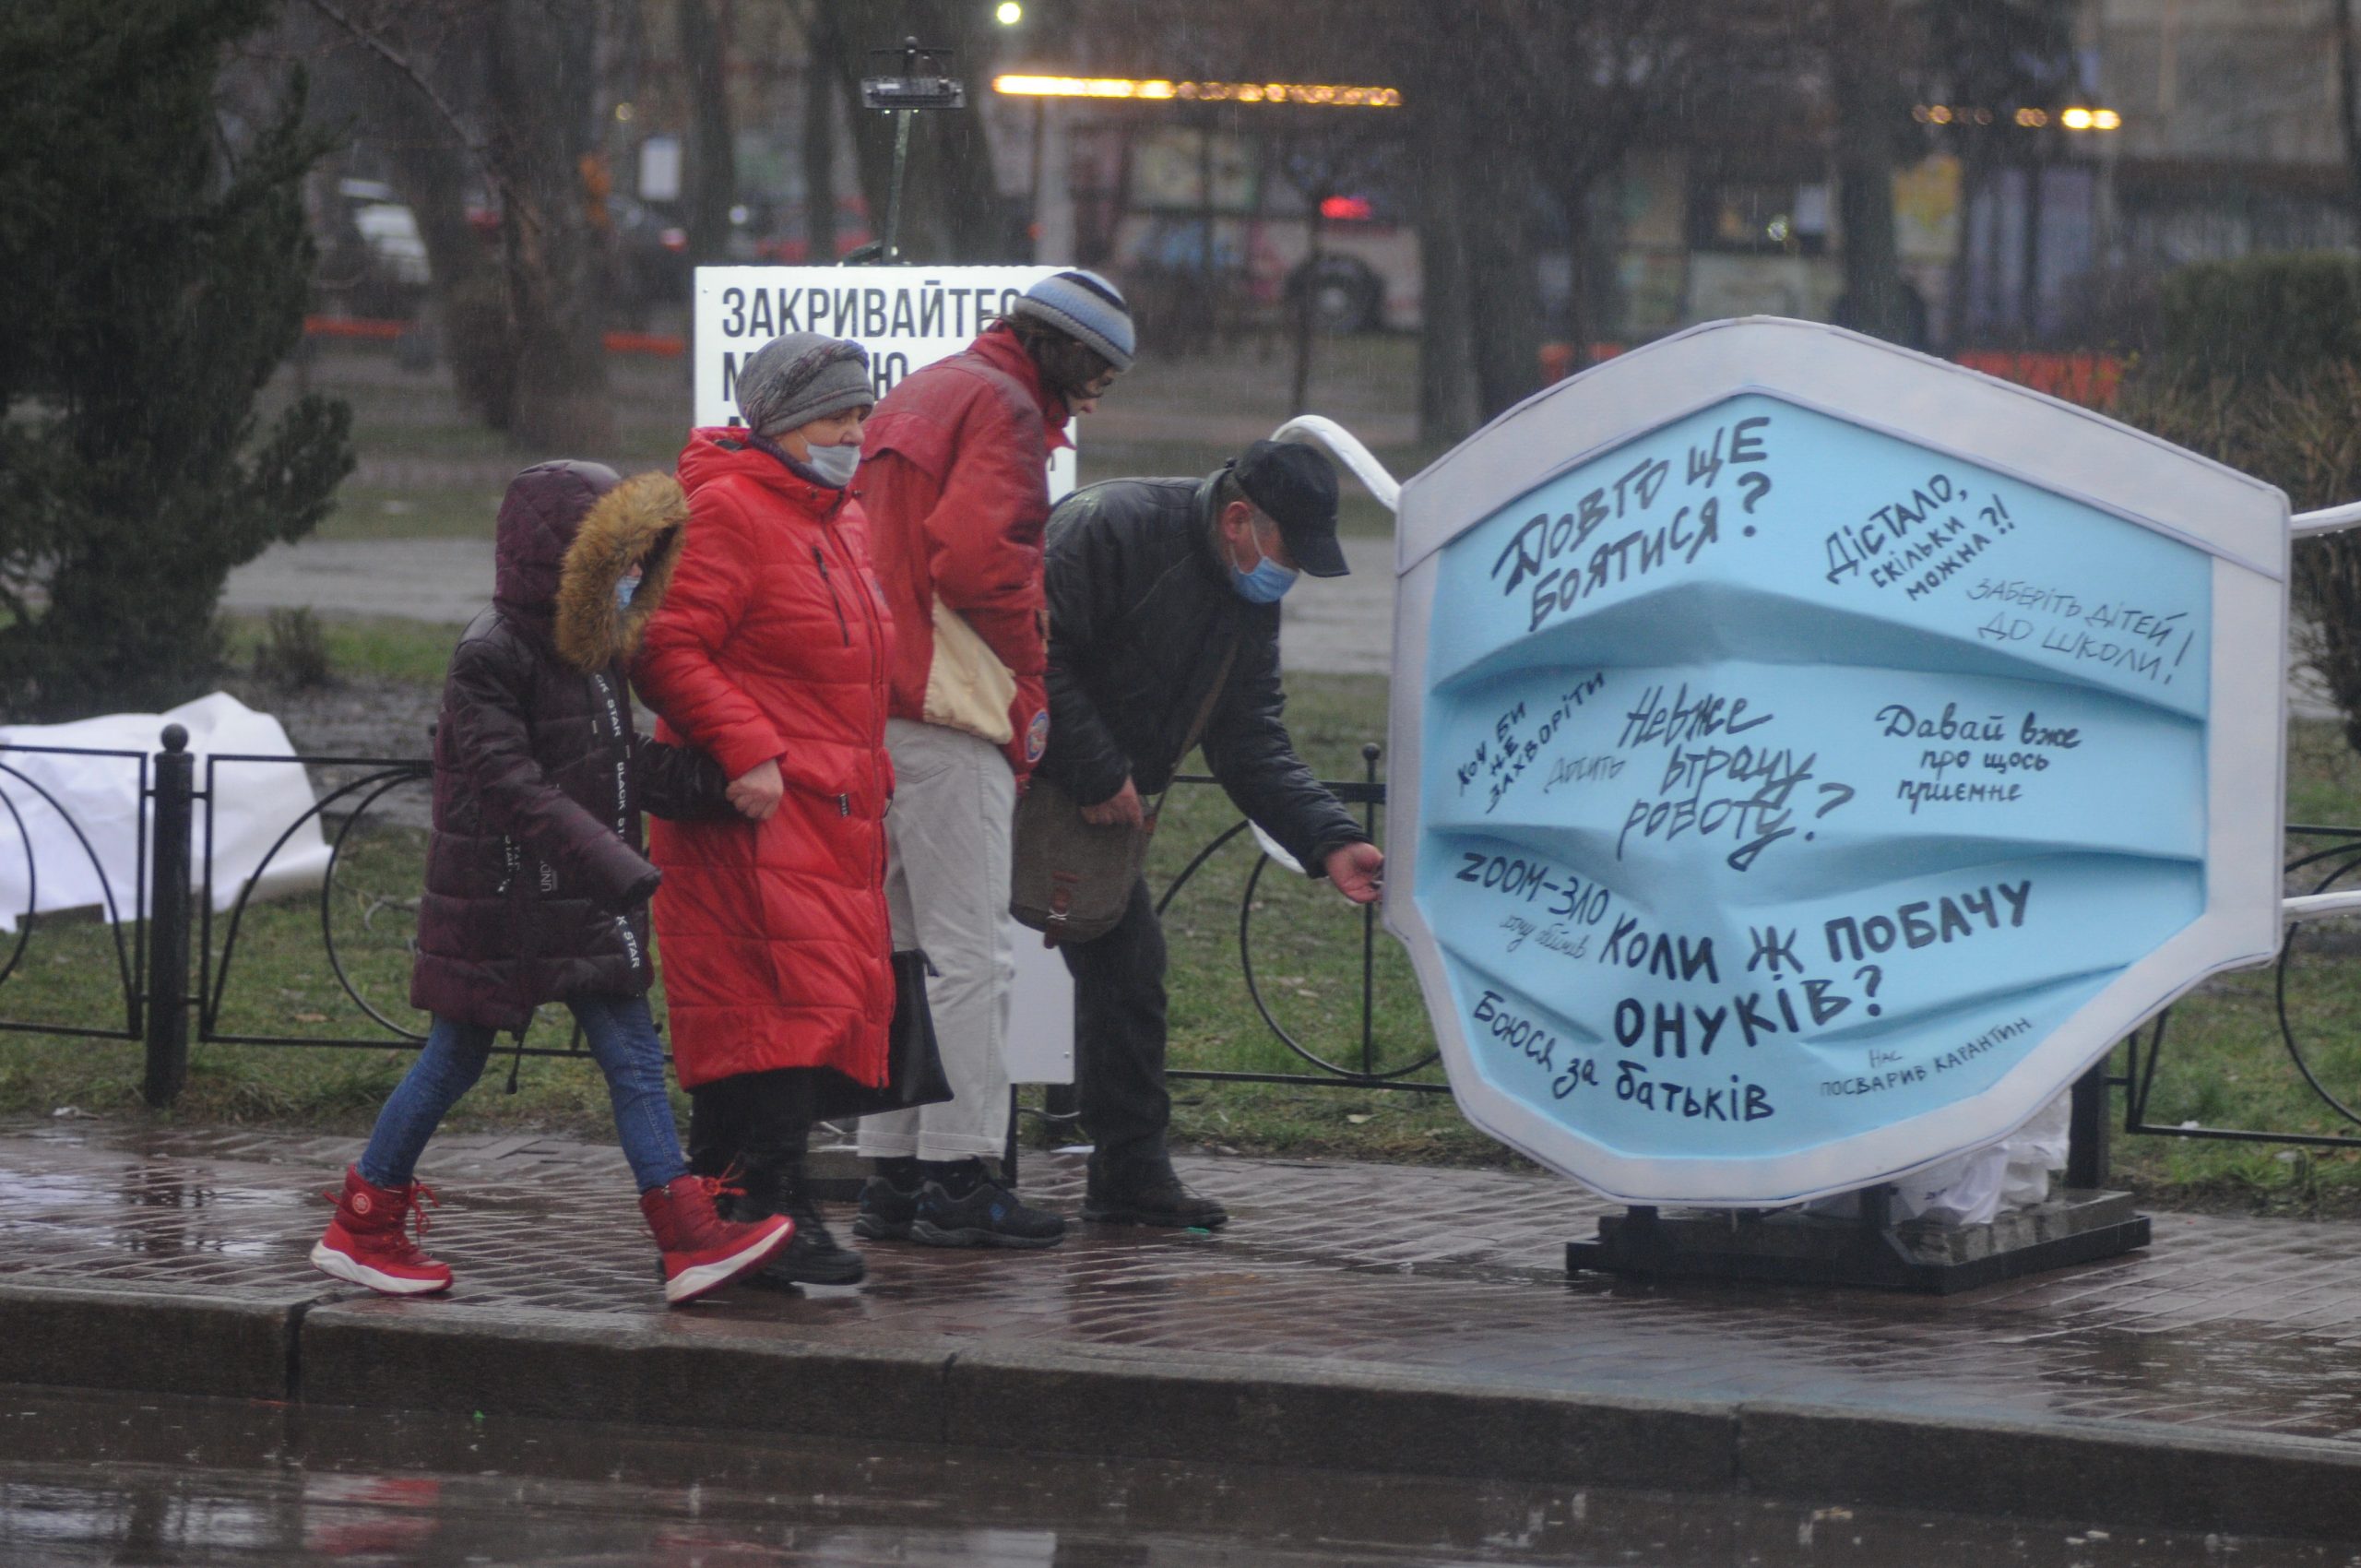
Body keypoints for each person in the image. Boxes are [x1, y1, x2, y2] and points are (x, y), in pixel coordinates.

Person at [312, 461, 795, 1307]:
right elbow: (510, 782)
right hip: (503, 902)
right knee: (452, 1061)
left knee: (634, 1060)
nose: (637, 577)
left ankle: (686, 1236)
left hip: (575, 901)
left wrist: (718, 786)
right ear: (567, 559)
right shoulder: (490, 655)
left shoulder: (595, 653)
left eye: (647, 559)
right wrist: (612, 863)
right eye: (623, 559)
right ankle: (363, 1224)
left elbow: (618, 762)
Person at [849, 269, 1136, 1250]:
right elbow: (979, 564)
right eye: (1096, 368)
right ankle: (965, 1176)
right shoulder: (1007, 409)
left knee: (900, 951)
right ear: (1057, 347)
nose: (1097, 391)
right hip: (949, 705)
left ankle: (890, 1172)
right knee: (972, 955)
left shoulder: (926, 387)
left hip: (873, 699)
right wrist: (1029, 670)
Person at [1037, 441, 1387, 1227]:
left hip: (1098, 800)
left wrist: (1330, 840)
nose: (1285, 577)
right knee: (956, 968)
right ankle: (921, 1178)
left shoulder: (1245, 592)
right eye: (1288, 554)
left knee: (1131, 971)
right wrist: (1095, 770)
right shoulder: (1112, 524)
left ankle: (1128, 1178)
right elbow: (1032, 651)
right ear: (1239, 520)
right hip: (1016, 777)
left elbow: (1248, 737)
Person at [634, 331, 894, 1289]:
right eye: (834, 415)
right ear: (780, 420)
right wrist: (750, 747)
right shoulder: (728, 511)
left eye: (860, 413)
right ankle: (774, 1211)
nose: (852, 431)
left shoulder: (839, 516)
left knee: (789, 1007)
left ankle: (728, 1206)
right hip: (754, 808)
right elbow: (662, 648)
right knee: (776, 1009)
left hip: (828, 809)